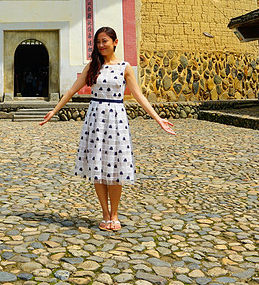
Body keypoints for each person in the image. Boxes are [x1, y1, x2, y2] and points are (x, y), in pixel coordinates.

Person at [39, 26, 175, 232]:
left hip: (116, 118)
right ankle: (104, 214)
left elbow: (139, 95)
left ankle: (115, 214)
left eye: (105, 41)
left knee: (115, 167)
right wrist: (54, 111)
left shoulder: (124, 67)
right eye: (98, 42)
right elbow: (72, 90)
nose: (101, 45)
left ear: (115, 42)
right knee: (97, 167)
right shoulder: (92, 67)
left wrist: (158, 119)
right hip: (95, 117)